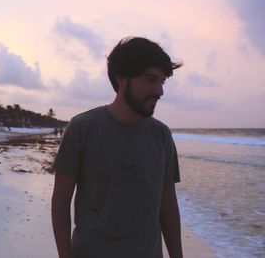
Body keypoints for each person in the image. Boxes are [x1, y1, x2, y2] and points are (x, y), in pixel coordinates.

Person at [51, 36, 183, 258]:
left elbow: (168, 205)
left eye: (162, 81)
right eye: (150, 80)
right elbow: (61, 201)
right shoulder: (83, 128)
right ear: (121, 79)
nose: (159, 91)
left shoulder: (161, 135)